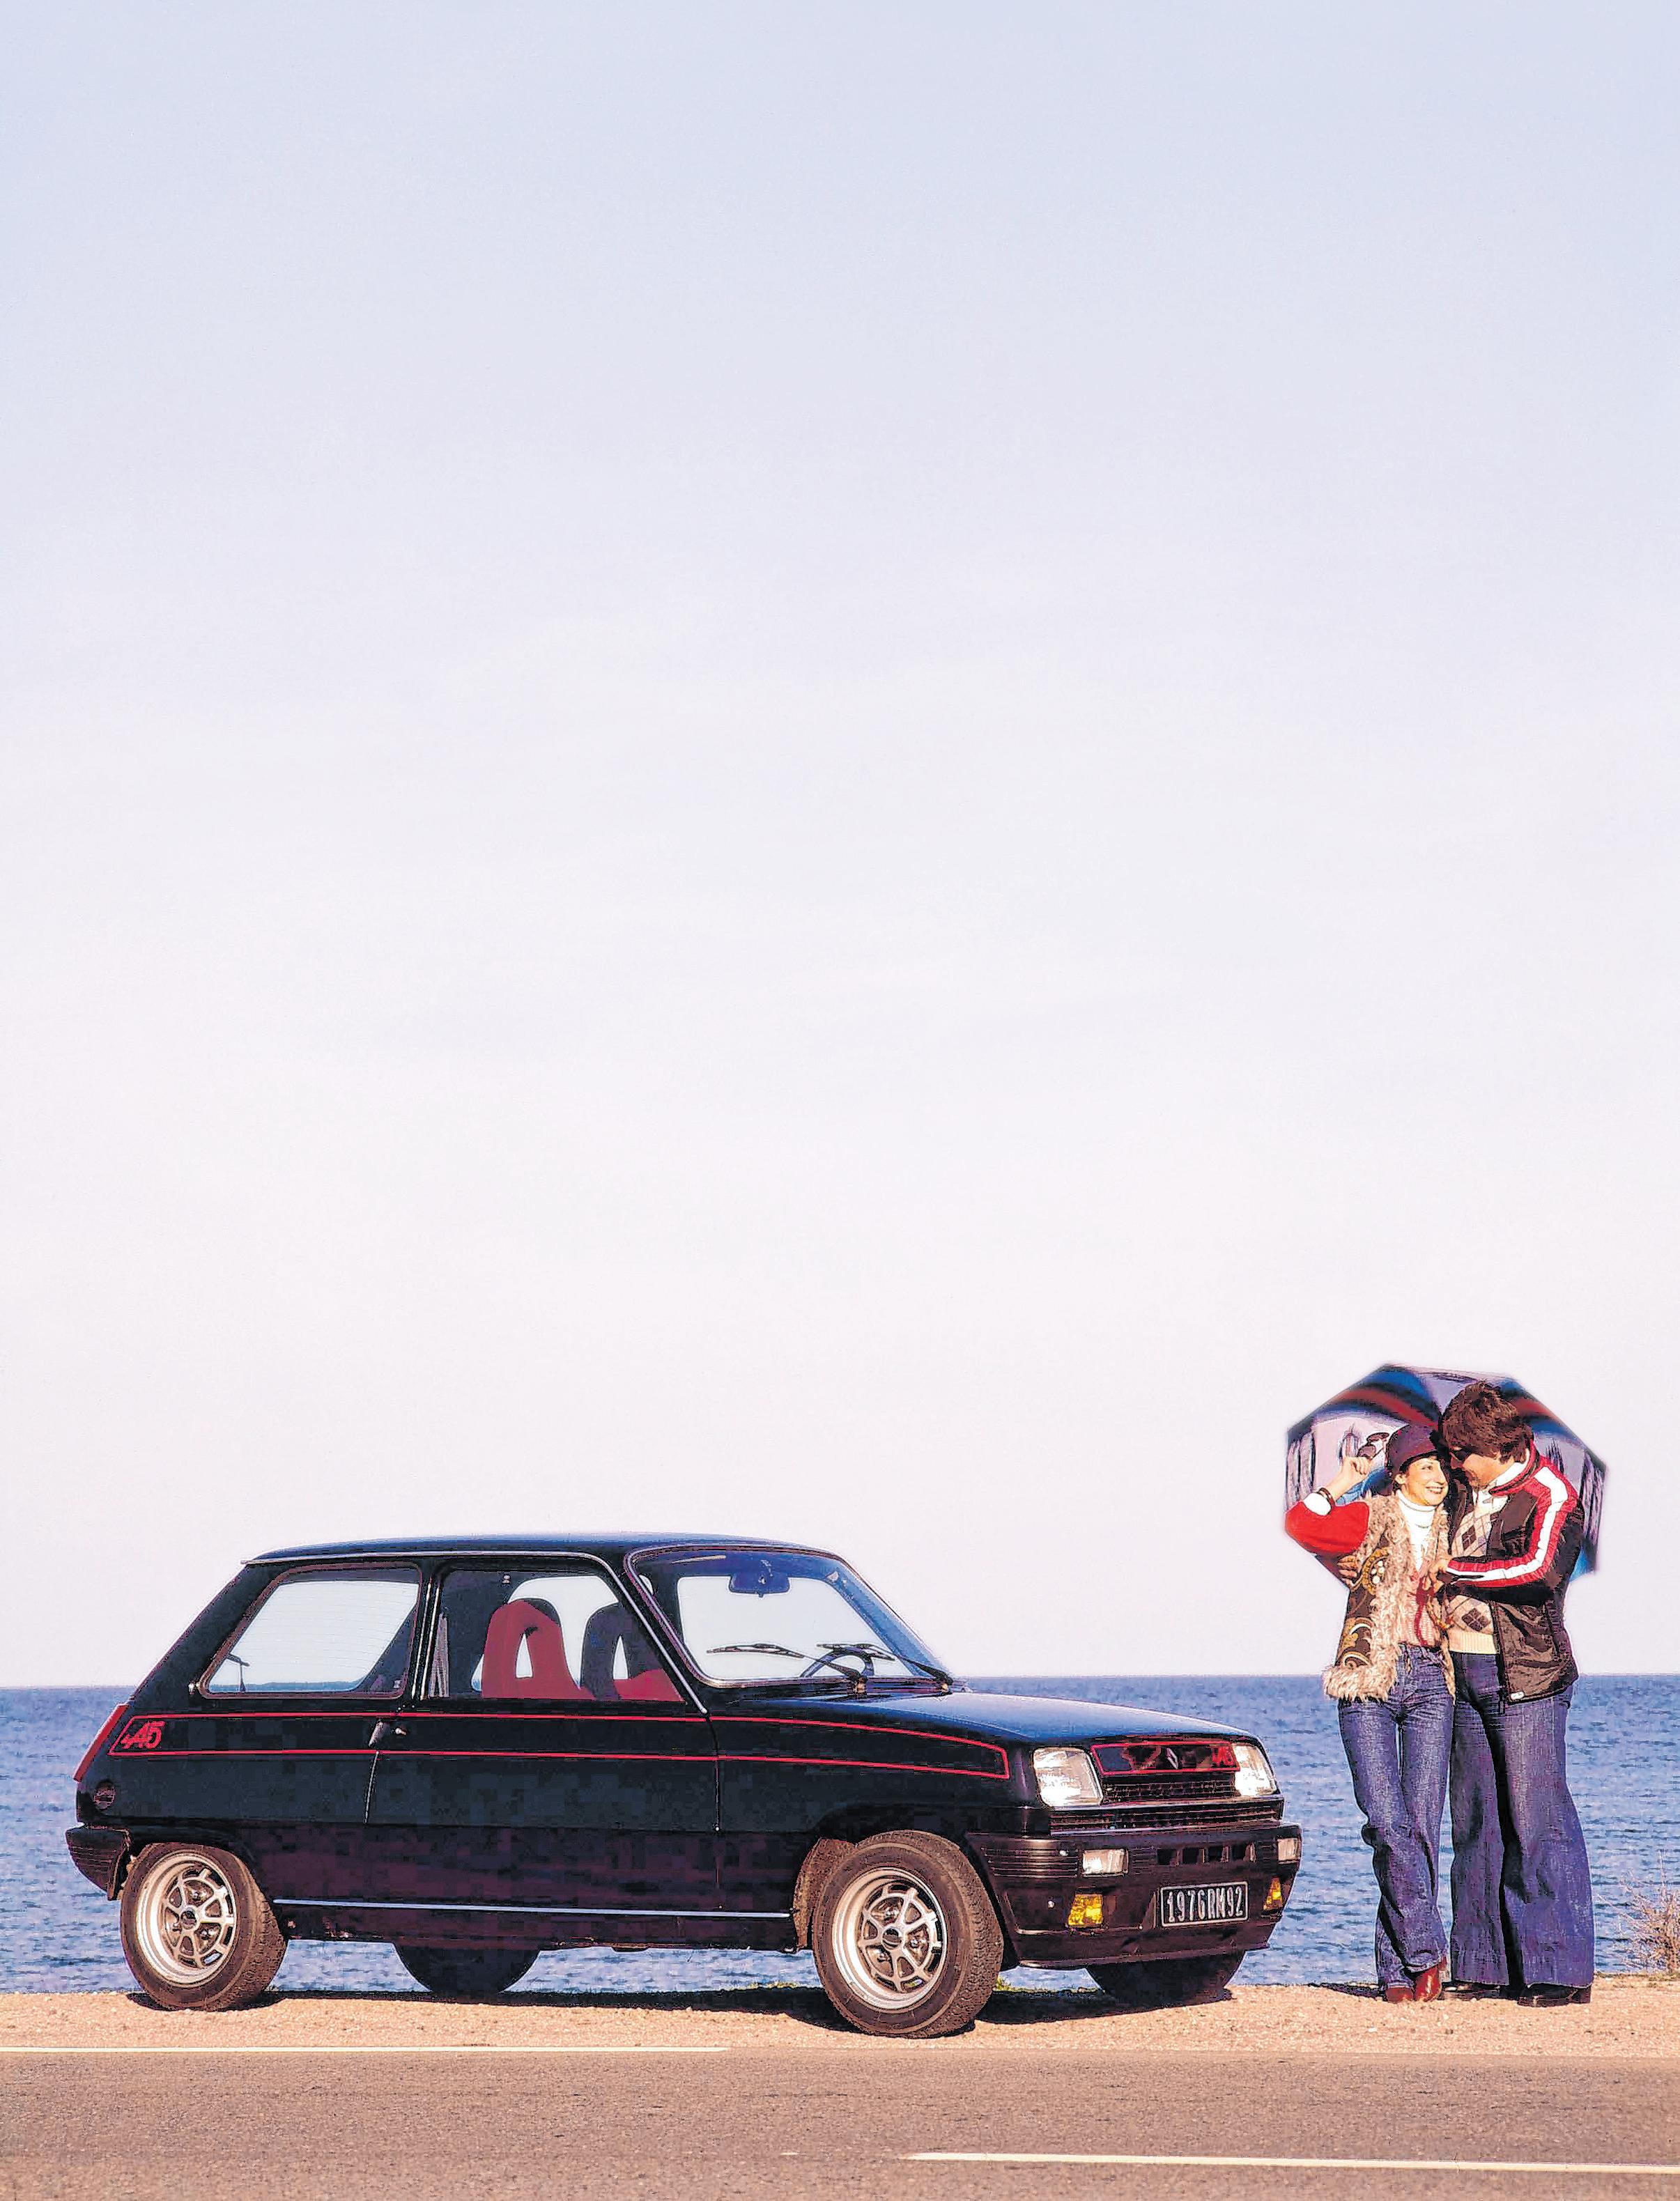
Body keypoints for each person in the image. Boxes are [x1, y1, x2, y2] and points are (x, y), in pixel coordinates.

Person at [1435, 1380, 1595, 2007]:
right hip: (1461, 1673)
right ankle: (1483, 1964)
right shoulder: (1462, 1492)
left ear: (1498, 1446)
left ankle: (1558, 1969)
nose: (1455, 1464)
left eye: (1463, 1453)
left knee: (1537, 1821)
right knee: (1476, 1822)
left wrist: (1454, 1570)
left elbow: (1538, 1571)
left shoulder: (1551, 1493)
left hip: (1526, 1676)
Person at [1285, 1421, 1454, 2004]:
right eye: (1425, 1466)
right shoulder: (1368, 1516)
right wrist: (1342, 1481)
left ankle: (1396, 1971)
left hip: (1433, 1679)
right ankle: (1427, 1950)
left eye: (1442, 1466)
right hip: (1367, 1675)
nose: (1437, 1476)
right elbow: (1301, 1524)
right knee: (1386, 1822)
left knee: (1421, 1828)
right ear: (1400, 1474)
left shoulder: (1459, 1527)